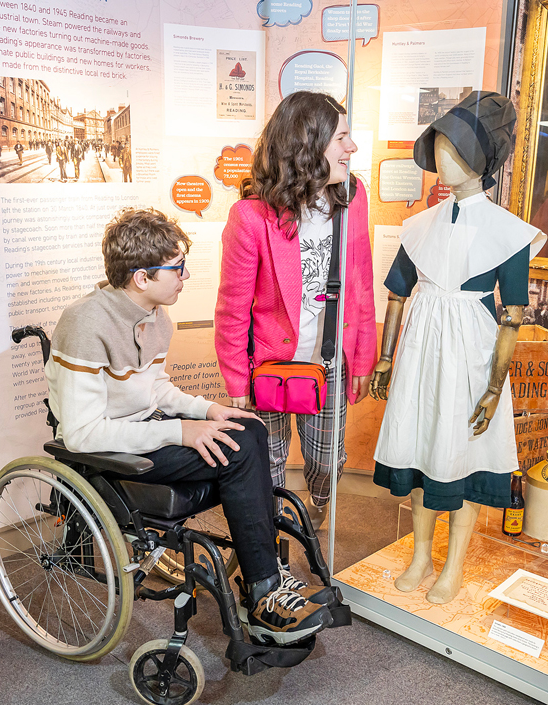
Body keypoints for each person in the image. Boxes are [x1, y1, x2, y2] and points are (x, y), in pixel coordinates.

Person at [45, 207, 334, 644]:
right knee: (240, 452)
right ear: (142, 277)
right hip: (107, 448)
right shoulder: (85, 323)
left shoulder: (157, 317)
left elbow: (155, 389)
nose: (184, 276)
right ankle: (264, 591)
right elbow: (83, 434)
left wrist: (206, 411)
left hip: (145, 429)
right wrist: (179, 431)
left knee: (249, 429)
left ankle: (266, 584)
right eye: (177, 269)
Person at [370, 92, 546, 604]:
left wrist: (494, 387)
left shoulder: (507, 233)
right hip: (422, 349)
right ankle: (421, 553)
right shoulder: (419, 226)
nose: (441, 162)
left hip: (472, 349)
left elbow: (513, 314)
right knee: (425, 450)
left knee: (462, 459)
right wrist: (385, 356)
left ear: (479, 159)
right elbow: (398, 293)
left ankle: (453, 565)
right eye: (439, 149)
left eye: (452, 150)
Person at [215, 91, 376, 529]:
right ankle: (272, 538)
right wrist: (235, 379)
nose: (352, 148)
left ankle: (316, 514)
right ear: (309, 144)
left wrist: (362, 355)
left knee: (327, 462)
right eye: (342, 137)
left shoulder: (352, 197)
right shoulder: (251, 217)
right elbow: (233, 310)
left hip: (328, 360)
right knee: (266, 464)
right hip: (267, 363)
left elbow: (360, 281)